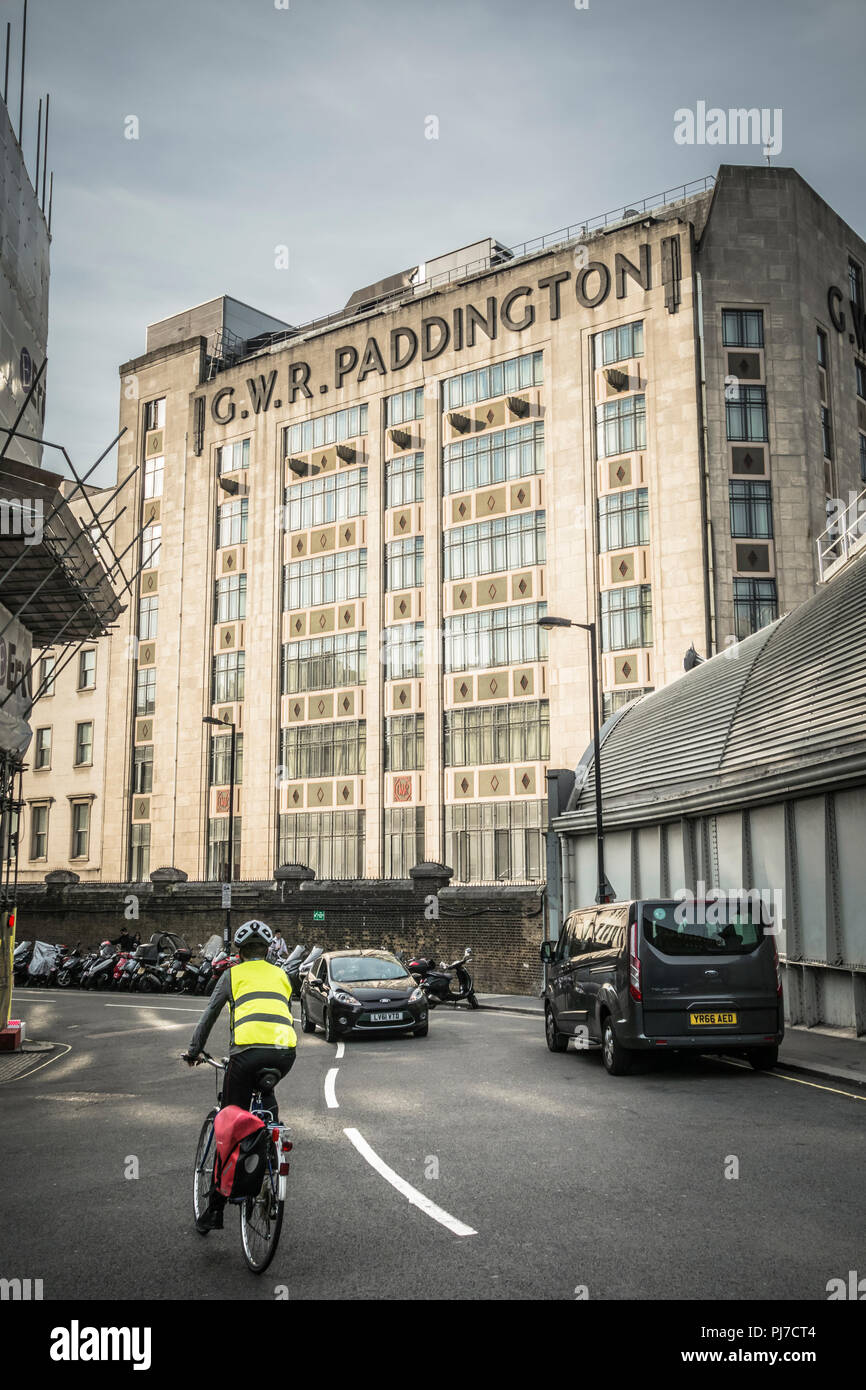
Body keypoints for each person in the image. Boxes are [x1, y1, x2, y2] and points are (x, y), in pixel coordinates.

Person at [182, 919, 297, 1233]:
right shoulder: (282, 974)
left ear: (241, 952)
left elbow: (210, 1013)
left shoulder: (232, 975)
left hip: (245, 1055)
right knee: (265, 1100)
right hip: (284, 1054)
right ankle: (272, 1145)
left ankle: (215, 1211)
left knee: (230, 1124)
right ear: (267, 951)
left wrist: (194, 1050)